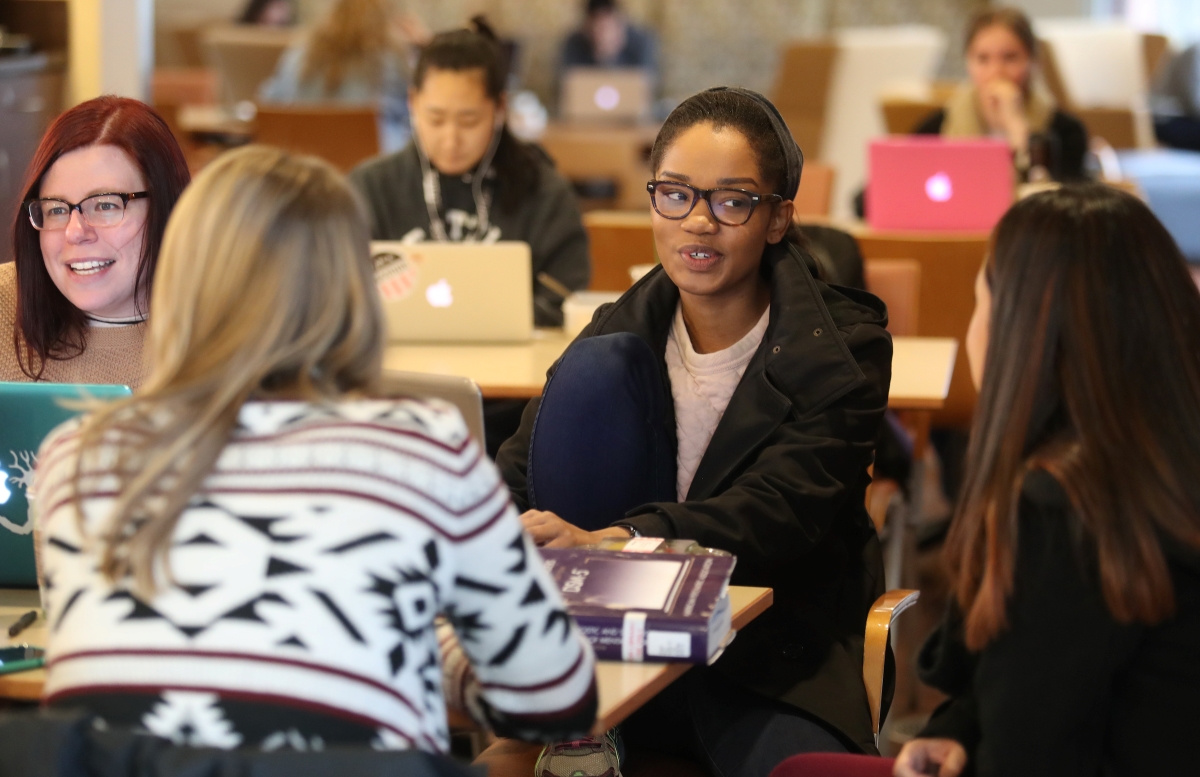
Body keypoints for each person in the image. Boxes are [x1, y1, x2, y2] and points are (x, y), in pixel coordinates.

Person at [31, 145, 598, 752]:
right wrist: (428, 653)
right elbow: (554, 701)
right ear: (352, 286)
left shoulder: (73, 458)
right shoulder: (421, 450)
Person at [495, 87, 892, 777]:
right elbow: (518, 474)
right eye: (674, 194)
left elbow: (780, 511)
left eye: (731, 200)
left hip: (764, 658)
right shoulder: (614, 336)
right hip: (609, 650)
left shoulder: (841, 349)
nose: (698, 222)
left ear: (777, 218)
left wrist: (620, 538)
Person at [775, 184, 1200, 777]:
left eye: (981, 300)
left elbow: (1030, 746)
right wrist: (958, 729)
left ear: (1024, 331)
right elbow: (1045, 680)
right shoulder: (1148, 470)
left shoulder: (1058, 513)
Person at [349, 16, 590, 328]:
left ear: (500, 109)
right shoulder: (371, 188)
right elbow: (343, 296)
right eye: (435, 119)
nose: (451, 140)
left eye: (469, 121)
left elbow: (565, 301)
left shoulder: (543, 193)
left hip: (511, 366)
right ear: (412, 102)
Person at [2, 96, 190, 387]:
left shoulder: (231, 331)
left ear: (166, 208)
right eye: (57, 209)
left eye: (105, 206)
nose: (75, 232)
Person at [915, 7, 1088, 182]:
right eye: (982, 59)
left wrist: (1016, 126)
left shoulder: (1065, 132)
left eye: (1010, 58)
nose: (996, 72)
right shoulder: (935, 129)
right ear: (968, 63)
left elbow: (1058, 198)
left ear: (1033, 61)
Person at [258, 0, 413, 153]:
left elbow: (269, 103)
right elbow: (412, 109)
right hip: (369, 162)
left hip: (302, 160)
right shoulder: (390, 58)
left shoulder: (300, 53)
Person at [558, 0, 660, 88]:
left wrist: (613, 56)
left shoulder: (642, 43)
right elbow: (567, 90)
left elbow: (646, 88)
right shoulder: (573, 44)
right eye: (597, 28)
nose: (603, 34)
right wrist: (600, 57)